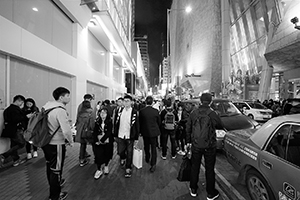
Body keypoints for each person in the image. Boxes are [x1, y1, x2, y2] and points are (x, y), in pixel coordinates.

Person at [186, 93, 224, 199]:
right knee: (209, 169)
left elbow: (188, 128)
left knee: (195, 167)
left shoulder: (194, 113)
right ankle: (210, 193)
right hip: (210, 146)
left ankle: (193, 188)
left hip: (196, 145)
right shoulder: (213, 114)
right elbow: (221, 125)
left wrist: (188, 142)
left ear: (200, 101)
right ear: (211, 101)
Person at [42, 87, 74, 200]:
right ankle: (55, 196)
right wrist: (71, 141)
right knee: (56, 170)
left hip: (45, 142)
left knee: (49, 167)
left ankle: (53, 190)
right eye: (68, 95)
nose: (69, 98)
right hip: (57, 144)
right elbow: (66, 130)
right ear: (61, 97)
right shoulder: (60, 110)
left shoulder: (46, 106)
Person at [0, 95, 31, 167]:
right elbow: (16, 119)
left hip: (9, 130)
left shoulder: (8, 109)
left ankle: (16, 160)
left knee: (13, 145)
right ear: (18, 100)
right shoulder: (14, 109)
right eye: (22, 102)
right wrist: (26, 117)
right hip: (16, 129)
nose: (22, 104)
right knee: (22, 143)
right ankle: (4, 155)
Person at [113, 95, 139, 178]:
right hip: (120, 135)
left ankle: (128, 168)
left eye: (128, 101)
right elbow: (116, 123)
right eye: (125, 101)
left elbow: (137, 125)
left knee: (130, 152)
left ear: (131, 102)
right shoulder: (119, 111)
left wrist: (136, 138)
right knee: (120, 151)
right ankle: (122, 158)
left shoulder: (134, 112)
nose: (126, 102)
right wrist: (115, 134)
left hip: (129, 136)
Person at [139, 96, 161, 172]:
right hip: (154, 132)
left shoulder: (142, 111)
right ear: (152, 102)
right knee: (153, 148)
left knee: (146, 146)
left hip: (145, 132)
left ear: (145, 102)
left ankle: (147, 157)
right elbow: (159, 122)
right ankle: (153, 164)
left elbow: (140, 122)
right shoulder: (156, 111)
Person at [92, 108, 114, 179]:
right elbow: (94, 132)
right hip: (98, 142)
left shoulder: (110, 122)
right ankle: (99, 169)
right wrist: (96, 140)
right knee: (98, 155)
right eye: (101, 112)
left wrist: (102, 140)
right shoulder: (97, 121)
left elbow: (109, 132)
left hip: (107, 141)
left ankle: (106, 166)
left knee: (107, 154)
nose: (102, 114)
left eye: (104, 113)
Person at [75, 94, 94, 166]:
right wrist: (92, 129)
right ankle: (83, 158)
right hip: (87, 129)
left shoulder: (80, 106)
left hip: (80, 128)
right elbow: (92, 121)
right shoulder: (90, 110)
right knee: (90, 143)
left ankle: (83, 157)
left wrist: (77, 125)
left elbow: (77, 116)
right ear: (89, 99)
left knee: (82, 144)